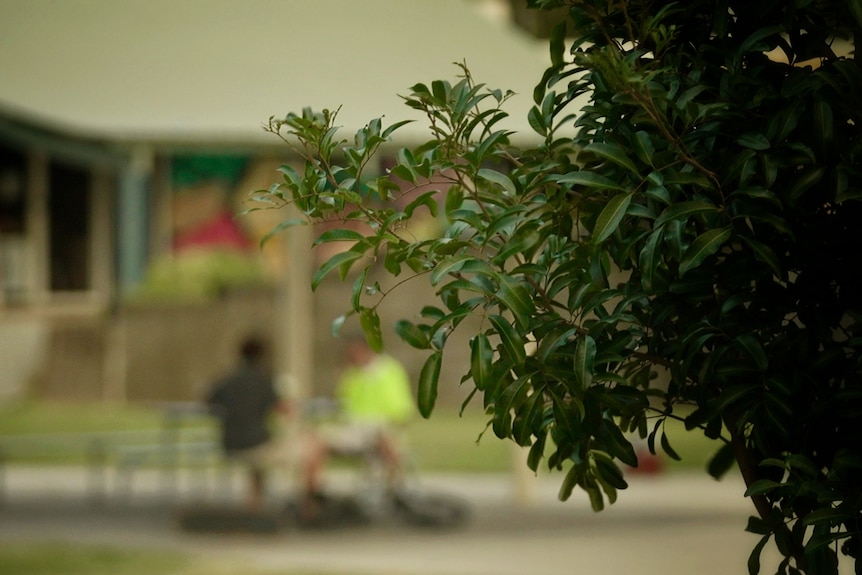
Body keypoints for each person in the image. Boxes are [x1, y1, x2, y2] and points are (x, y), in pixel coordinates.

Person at [304, 337, 415, 504]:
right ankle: (314, 495)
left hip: (380, 427)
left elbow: (402, 410)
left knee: (386, 439)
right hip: (354, 428)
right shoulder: (351, 374)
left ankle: (396, 492)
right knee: (315, 438)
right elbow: (341, 404)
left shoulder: (389, 370)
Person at [206, 335, 290, 512]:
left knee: (259, 458)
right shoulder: (263, 379)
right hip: (256, 444)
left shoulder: (228, 379)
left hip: (229, 443)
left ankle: (254, 503)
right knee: (306, 450)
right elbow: (283, 409)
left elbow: (209, 401)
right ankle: (309, 509)